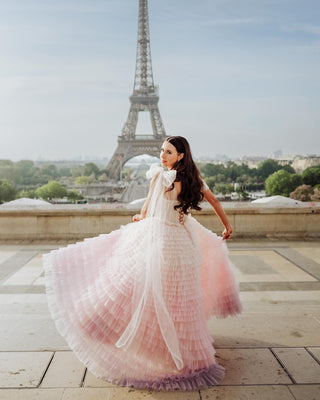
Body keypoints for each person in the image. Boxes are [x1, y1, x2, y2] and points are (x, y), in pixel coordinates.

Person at [43, 136, 242, 391]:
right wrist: (227, 225)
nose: (162, 155)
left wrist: (141, 216)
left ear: (180, 155)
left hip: (162, 242)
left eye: (168, 152)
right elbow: (213, 201)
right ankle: (183, 354)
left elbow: (148, 208)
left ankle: (117, 332)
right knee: (180, 300)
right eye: (161, 150)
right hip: (185, 243)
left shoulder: (160, 177)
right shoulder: (193, 179)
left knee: (135, 284)